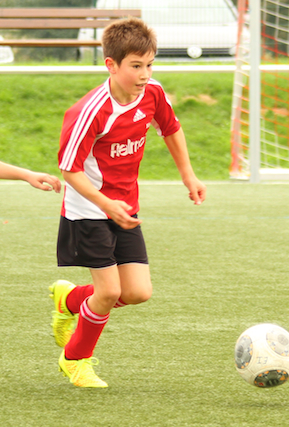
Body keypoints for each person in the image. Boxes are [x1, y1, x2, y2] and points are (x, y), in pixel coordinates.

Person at [50, 17, 206, 388]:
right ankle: (75, 360)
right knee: (109, 292)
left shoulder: (153, 93)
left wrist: (188, 175)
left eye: (149, 64)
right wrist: (105, 203)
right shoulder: (89, 112)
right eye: (136, 66)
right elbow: (69, 170)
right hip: (88, 210)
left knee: (137, 292)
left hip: (124, 208)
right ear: (111, 65)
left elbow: (171, 128)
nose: (144, 74)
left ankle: (70, 300)